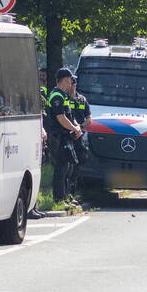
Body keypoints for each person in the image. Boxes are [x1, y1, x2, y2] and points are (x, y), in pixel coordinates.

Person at [45, 68, 84, 202]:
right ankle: (59, 199)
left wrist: (77, 127)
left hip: (66, 137)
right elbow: (61, 118)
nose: (71, 84)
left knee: (68, 167)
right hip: (58, 137)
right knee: (61, 169)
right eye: (70, 81)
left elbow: (69, 116)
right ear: (66, 80)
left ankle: (66, 198)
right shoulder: (56, 96)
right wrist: (74, 128)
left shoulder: (63, 95)